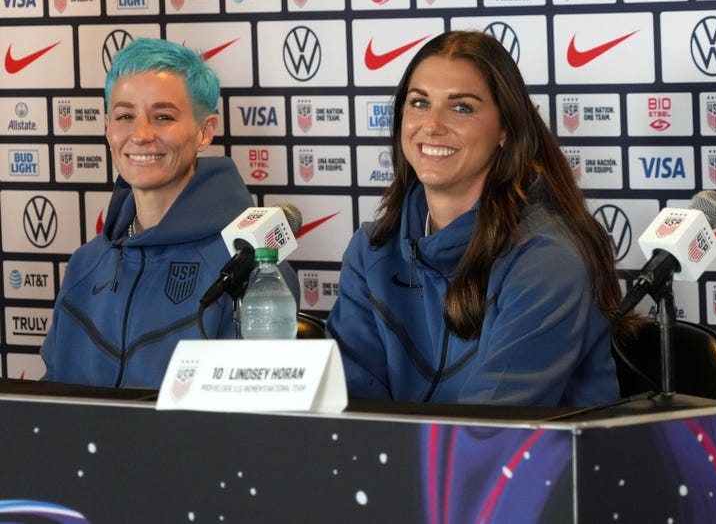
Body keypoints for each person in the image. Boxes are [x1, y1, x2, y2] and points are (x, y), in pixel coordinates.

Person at [328, 30, 631, 407]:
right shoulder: (371, 251)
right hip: (400, 462)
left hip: (534, 465)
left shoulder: (546, 259)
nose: (432, 125)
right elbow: (350, 407)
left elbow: (490, 428)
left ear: (505, 129)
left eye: (461, 108)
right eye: (419, 103)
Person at [41, 38, 297, 389]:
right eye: (125, 116)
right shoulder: (85, 265)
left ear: (205, 132)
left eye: (163, 116)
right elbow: (49, 408)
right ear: (107, 129)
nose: (141, 135)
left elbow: (256, 427)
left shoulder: (253, 266)